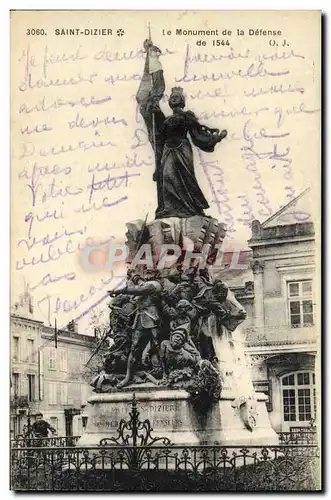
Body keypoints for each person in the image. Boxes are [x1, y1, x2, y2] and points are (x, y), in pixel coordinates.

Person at [136, 39, 227, 219]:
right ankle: (170, 210)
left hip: (182, 151)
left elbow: (197, 135)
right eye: (173, 97)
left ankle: (191, 208)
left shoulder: (187, 116)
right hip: (168, 152)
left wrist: (214, 138)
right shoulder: (167, 120)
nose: (175, 99)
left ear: (182, 101)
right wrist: (152, 112)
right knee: (168, 178)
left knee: (185, 179)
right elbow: (159, 135)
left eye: (178, 97)